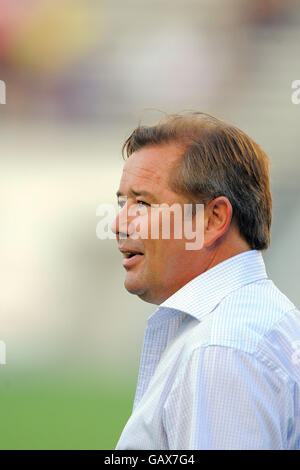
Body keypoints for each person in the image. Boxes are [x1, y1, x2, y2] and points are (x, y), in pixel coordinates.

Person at [111, 111, 300, 450]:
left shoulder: (222, 347)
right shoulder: (249, 325)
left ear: (213, 220)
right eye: (122, 202)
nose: (118, 223)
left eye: (142, 203)